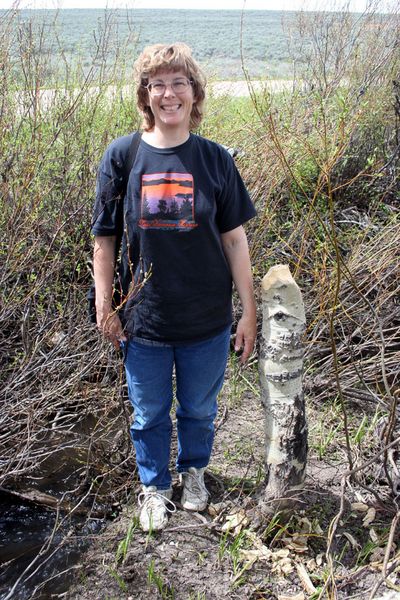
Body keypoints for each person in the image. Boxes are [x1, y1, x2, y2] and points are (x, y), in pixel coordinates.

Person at [91, 43, 257, 531]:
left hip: (206, 317)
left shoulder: (214, 159)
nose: (169, 93)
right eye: (158, 84)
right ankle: (155, 487)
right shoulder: (122, 156)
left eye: (179, 82)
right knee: (148, 412)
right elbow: (104, 240)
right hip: (144, 319)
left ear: (194, 92)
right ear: (146, 95)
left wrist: (248, 311)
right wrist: (106, 306)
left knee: (200, 408)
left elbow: (235, 239)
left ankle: (194, 472)